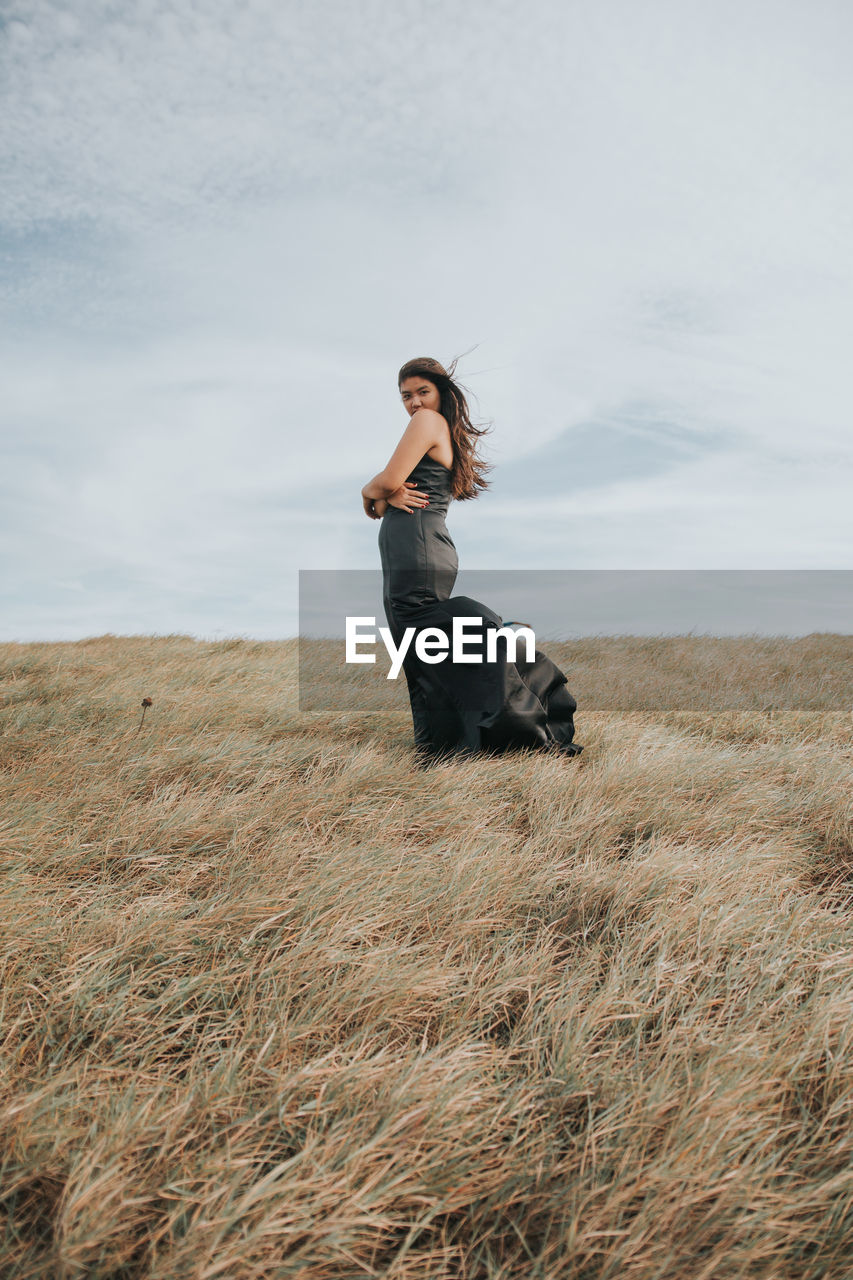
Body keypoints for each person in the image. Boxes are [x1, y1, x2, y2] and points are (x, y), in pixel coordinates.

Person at [361, 355, 582, 765]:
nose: (414, 403)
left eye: (422, 392)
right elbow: (385, 499)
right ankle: (442, 744)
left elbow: (387, 483)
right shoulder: (439, 427)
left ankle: (499, 716)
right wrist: (382, 496)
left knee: (418, 633)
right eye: (406, 396)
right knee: (416, 642)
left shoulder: (427, 422)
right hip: (420, 544)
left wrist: (369, 490)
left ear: (441, 392)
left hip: (417, 543)